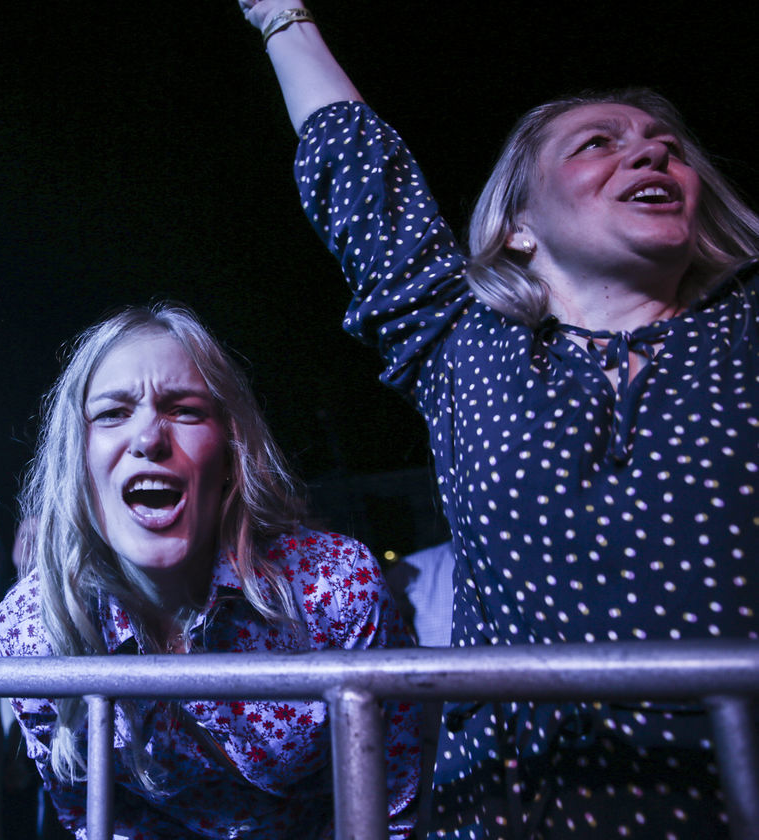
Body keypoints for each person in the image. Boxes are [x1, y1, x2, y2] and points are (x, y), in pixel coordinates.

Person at [238, 2, 759, 836]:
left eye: (666, 145)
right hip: (523, 807)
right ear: (518, 227)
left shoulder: (744, 330)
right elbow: (358, 169)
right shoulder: (469, 350)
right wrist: (278, 14)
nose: (652, 151)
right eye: (598, 143)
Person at [0, 303, 420, 839]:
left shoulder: (335, 586)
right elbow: (91, 814)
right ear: (77, 460)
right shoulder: (33, 627)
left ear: (231, 454)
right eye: (112, 414)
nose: (149, 439)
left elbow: (390, 806)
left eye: (185, 410)